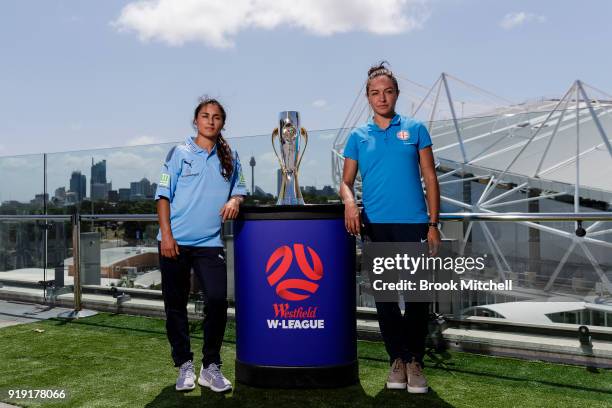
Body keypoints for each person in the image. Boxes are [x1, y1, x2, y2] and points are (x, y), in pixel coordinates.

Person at [339, 62, 441, 393]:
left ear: (396, 94)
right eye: (374, 93)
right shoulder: (357, 136)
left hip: (414, 224)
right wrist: (351, 203)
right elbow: (345, 182)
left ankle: (415, 362)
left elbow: (430, 177)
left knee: (415, 298)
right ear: (367, 97)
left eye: (387, 92)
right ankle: (397, 359)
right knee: (385, 299)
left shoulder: (415, 129)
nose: (381, 98)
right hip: (375, 226)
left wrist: (433, 223)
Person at [155, 97, 247, 392]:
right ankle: (184, 365)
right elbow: (162, 197)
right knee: (175, 307)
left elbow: (240, 190)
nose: (210, 121)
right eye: (205, 116)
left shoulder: (230, 157)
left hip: (210, 243)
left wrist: (234, 199)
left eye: (216, 117)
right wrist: (167, 236)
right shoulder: (179, 152)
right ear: (196, 121)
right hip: (175, 243)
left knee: (218, 301)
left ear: (222, 123)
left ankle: (211, 367)